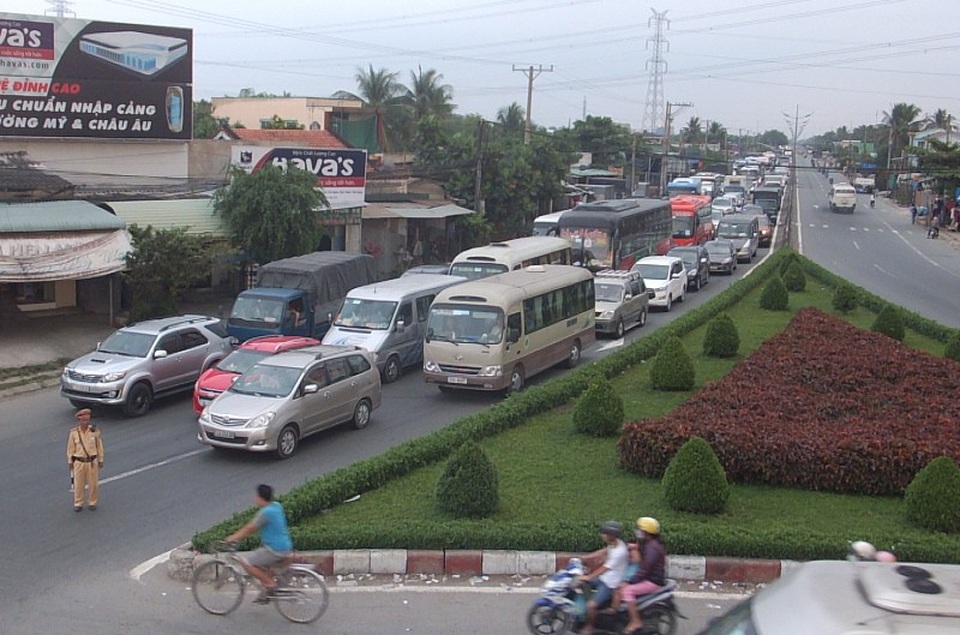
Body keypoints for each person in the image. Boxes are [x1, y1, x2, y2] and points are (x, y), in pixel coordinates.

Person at [225, 484, 294, 603]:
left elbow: (250, 528)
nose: (255, 499)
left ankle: (270, 584)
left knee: (247, 562)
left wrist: (233, 537)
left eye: (256, 496)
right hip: (285, 546)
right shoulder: (277, 506)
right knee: (262, 563)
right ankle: (265, 593)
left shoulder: (266, 512)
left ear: (261, 498)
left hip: (274, 549)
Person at [579, 521, 629, 635]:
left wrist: (588, 577)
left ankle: (589, 626)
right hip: (604, 578)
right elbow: (603, 551)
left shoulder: (619, 552)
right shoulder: (615, 543)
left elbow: (604, 568)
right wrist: (584, 558)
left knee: (591, 605)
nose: (602, 535)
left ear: (611, 535)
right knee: (580, 584)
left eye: (604, 533)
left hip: (609, 584)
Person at [620, 517, 667, 635]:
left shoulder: (652, 548)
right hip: (651, 578)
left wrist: (631, 581)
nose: (638, 532)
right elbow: (640, 549)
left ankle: (635, 621)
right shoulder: (650, 544)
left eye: (640, 530)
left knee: (627, 591)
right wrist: (632, 547)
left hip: (653, 581)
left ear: (647, 532)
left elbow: (645, 569)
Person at [66, 408, 104, 512]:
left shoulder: (94, 431)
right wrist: (70, 461)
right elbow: (70, 448)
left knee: (93, 484)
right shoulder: (74, 433)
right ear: (79, 421)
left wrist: (100, 459)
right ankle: (78, 503)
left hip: (92, 461)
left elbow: (99, 446)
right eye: (83, 420)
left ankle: (92, 502)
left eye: (87, 420)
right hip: (79, 461)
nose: (85, 422)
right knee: (78, 484)